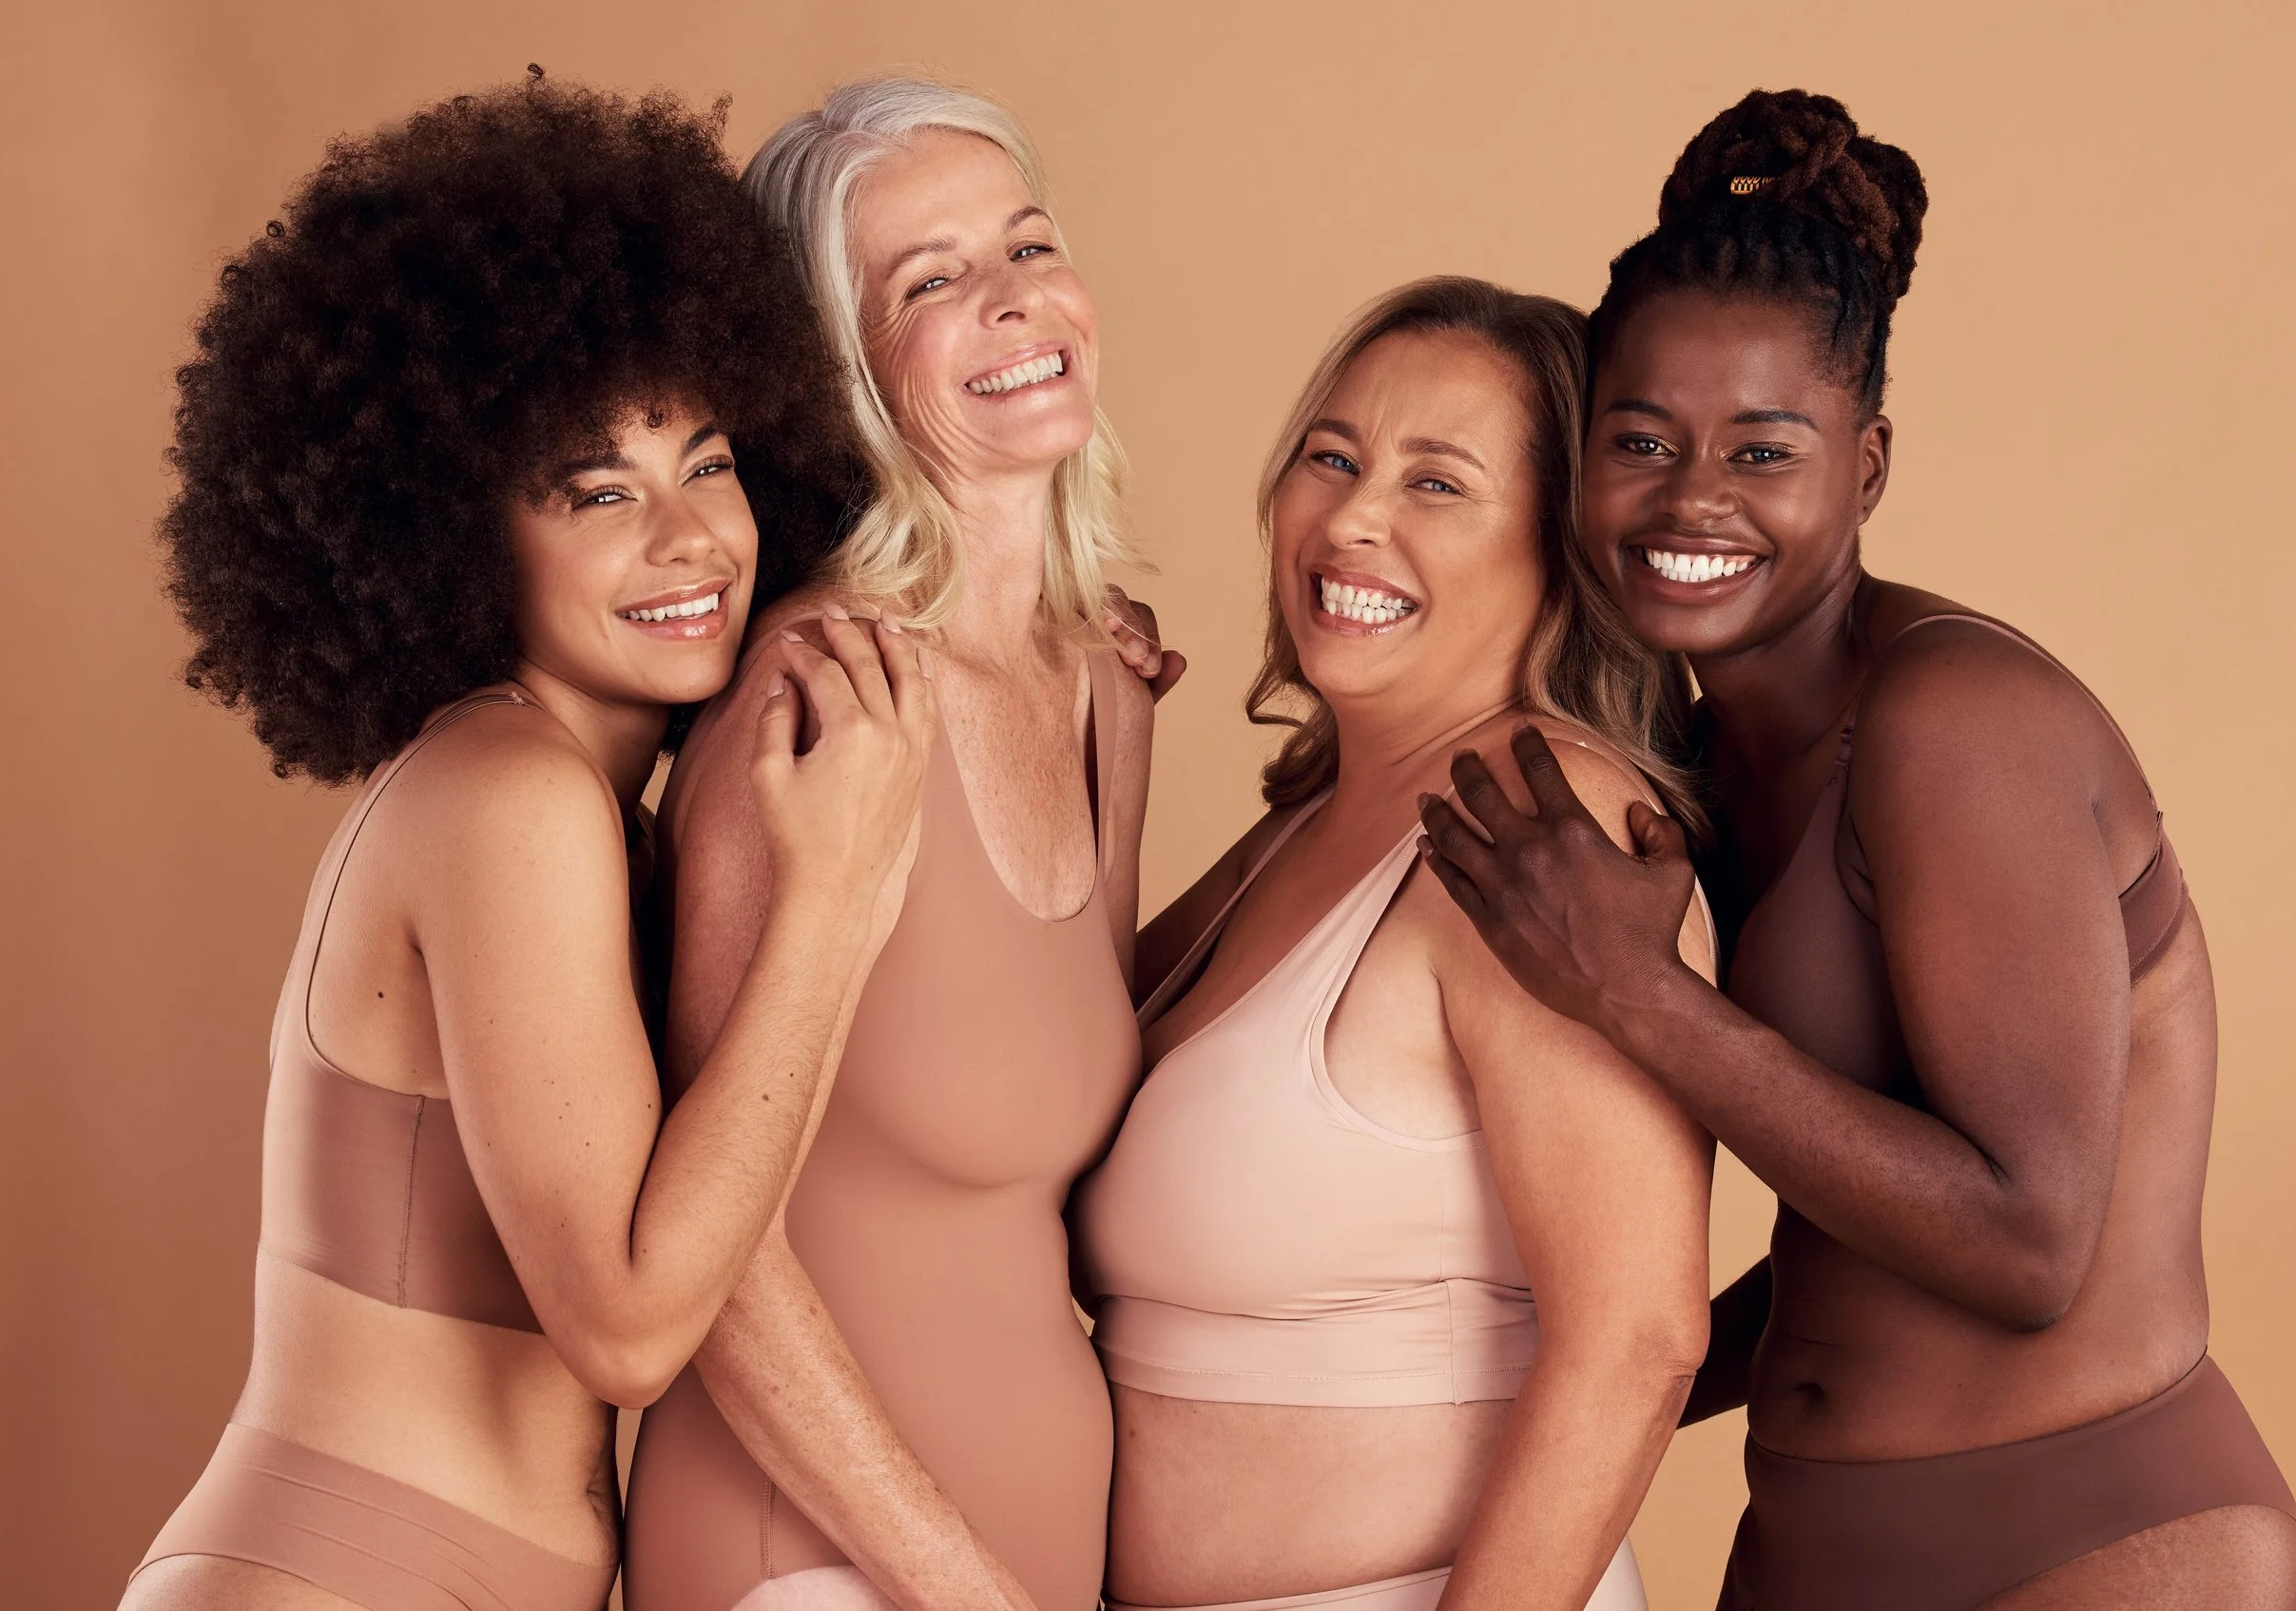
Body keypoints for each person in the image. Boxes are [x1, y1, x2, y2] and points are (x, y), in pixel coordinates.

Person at [1415, 89, 2296, 1611]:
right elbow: (1855, 1220)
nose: (1694, 497)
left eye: (1764, 451)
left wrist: (1637, 994)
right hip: (1811, 1541)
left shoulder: (1957, 723)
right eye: (1642, 439)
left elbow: (2030, 1241)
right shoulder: (1701, 753)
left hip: (2094, 1543)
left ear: (1868, 464)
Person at [121, 76, 932, 1611]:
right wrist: (834, 892)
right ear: (452, 525)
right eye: (595, 491)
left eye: (706, 461)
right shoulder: (510, 797)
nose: (688, 538)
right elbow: (627, 1326)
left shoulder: (577, 808)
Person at [1073, 278, 1714, 1611]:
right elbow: (1053, 1074)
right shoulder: (1318, 820)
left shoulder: (1546, 828)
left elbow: (1638, 1335)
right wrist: (1104, 753)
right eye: (1333, 456)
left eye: (1438, 482)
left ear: (1562, 543)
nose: (1353, 517)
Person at [623, 78, 1163, 1611]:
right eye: (930, 280)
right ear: (837, 367)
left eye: (1026, 243)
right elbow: (711, 1257)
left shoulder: (1110, 683)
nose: (1014, 301)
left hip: (1036, 1550)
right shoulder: (816, 696)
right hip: (819, 1559)